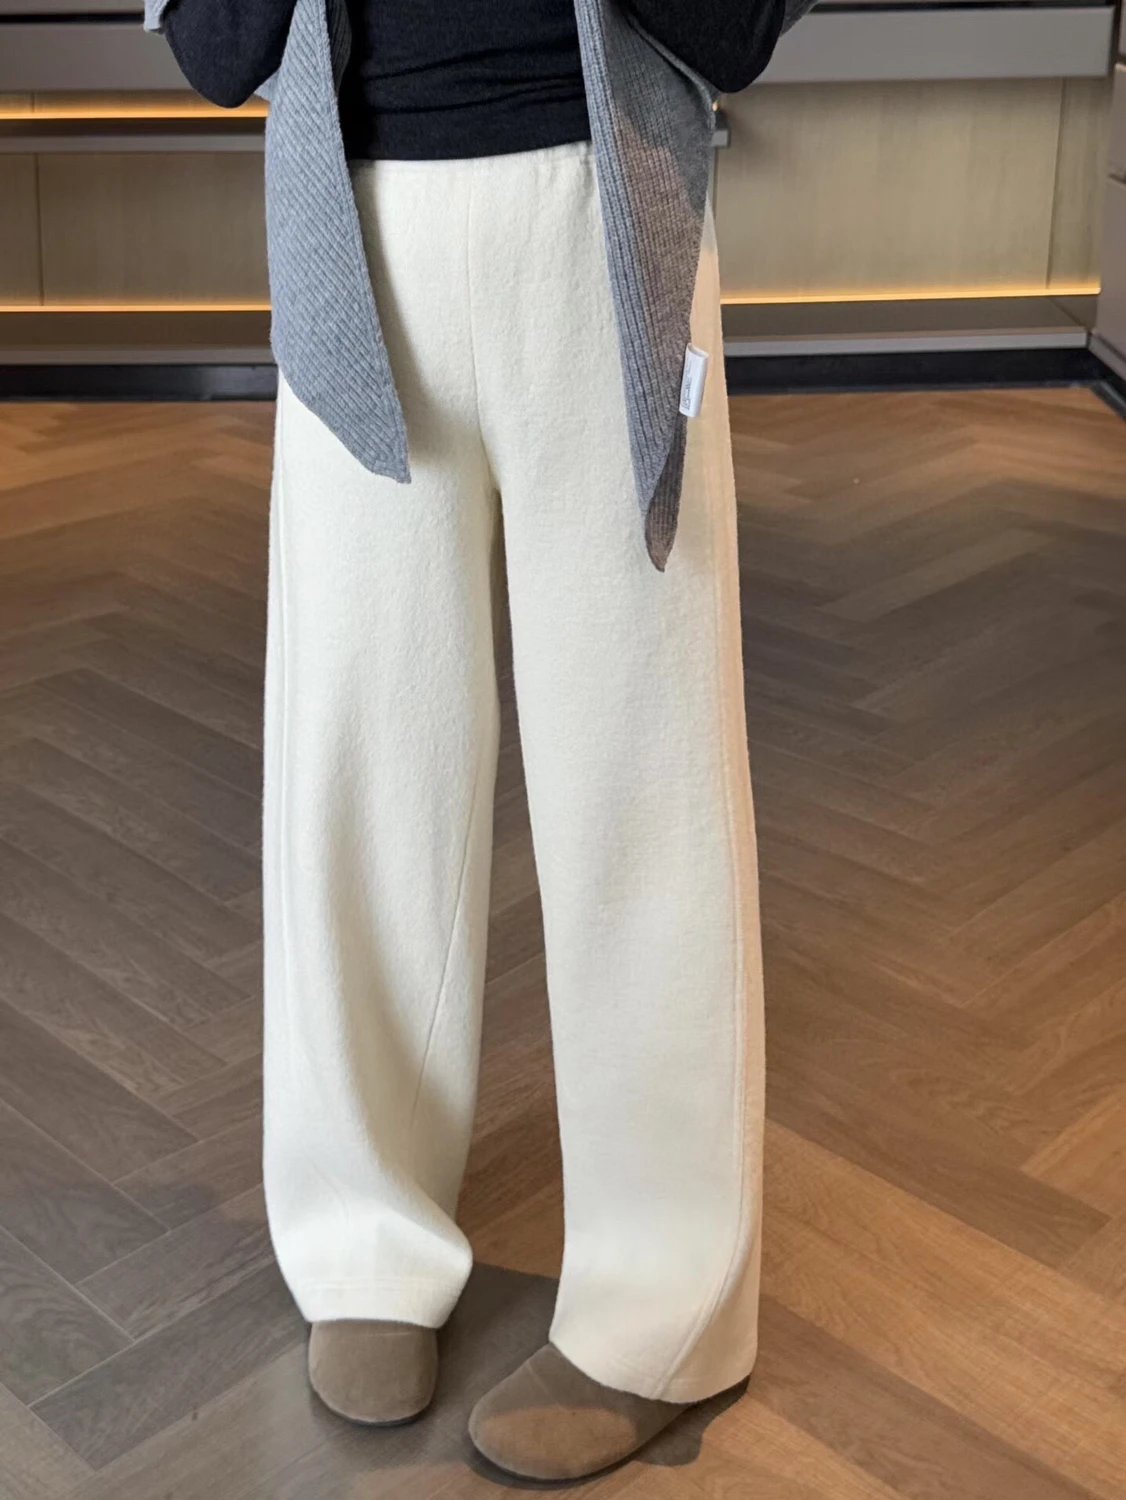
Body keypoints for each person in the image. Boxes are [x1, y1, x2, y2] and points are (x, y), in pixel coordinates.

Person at [143, 0, 817, 1481]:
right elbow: (213, 48)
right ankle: (364, 1238)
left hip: (601, 223)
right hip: (355, 233)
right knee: (361, 767)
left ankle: (660, 1309)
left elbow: (741, 28)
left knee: (643, 783)